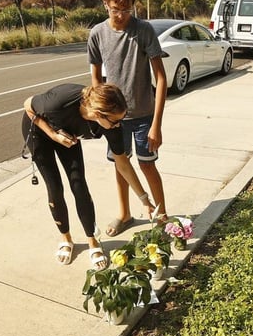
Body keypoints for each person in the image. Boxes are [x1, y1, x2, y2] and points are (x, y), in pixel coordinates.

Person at [22, 83, 154, 269]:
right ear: (99, 114)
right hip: (40, 131)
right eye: (115, 121)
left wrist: (144, 199)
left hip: (66, 134)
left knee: (79, 185)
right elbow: (28, 105)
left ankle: (92, 241)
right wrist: (53, 135)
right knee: (55, 188)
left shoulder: (111, 125)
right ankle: (66, 238)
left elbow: (123, 164)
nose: (118, 125)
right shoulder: (60, 101)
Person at [88, 0, 169, 237]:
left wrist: (156, 125)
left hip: (144, 114)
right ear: (105, 5)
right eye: (114, 9)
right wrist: (102, 118)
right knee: (120, 165)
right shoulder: (97, 34)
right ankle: (125, 214)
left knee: (147, 165)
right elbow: (96, 80)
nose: (121, 14)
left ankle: (162, 215)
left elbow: (161, 77)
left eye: (126, 9)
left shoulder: (144, 30)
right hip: (115, 119)